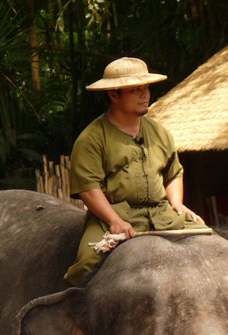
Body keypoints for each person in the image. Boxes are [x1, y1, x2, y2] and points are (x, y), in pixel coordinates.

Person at [64, 57, 208, 287]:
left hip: (162, 214)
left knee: (211, 241)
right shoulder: (91, 138)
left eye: (146, 88)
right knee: (87, 262)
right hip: (115, 214)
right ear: (113, 95)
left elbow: (173, 172)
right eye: (135, 90)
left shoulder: (160, 132)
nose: (145, 95)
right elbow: (88, 187)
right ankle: (71, 315)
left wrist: (177, 204)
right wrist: (114, 221)